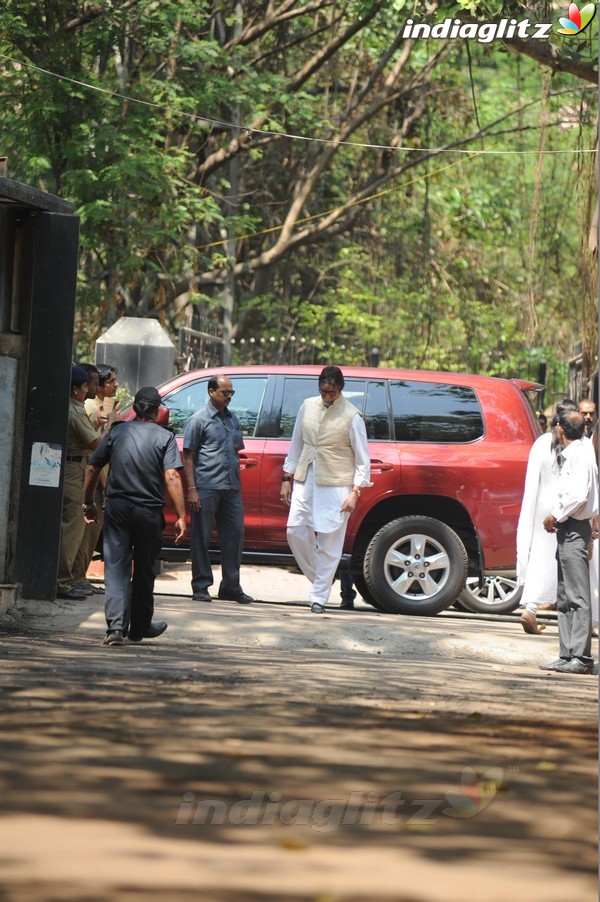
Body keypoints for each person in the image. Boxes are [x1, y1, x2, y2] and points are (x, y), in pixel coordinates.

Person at [83, 386, 186, 646]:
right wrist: (182, 515)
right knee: (144, 569)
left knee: (115, 568)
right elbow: (172, 475)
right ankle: (139, 627)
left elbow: (94, 466)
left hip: (117, 509)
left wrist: (88, 501)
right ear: (157, 410)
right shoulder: (165, 438)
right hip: (148, 513)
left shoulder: (116, 431)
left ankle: (115, 629)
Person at [280, 366, 371, 613]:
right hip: (306, 477)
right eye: (323, 391)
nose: (327, 396)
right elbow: (296, 443)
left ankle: (318, 597)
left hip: (337, 483)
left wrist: (355, 492)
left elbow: (363, 460)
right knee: (295, 530)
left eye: (331, 392)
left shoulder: (352, 417)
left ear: (340, 390)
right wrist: (286, 478)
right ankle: (321, 578)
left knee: (330, 539)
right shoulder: (307, 406)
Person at [182, 375, 254, 604]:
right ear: (212, 392)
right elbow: (188, 456)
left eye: (232, 393)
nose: (229, 397)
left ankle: (230, 586)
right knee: (201, 537)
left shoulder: (233, 420)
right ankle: (201, 586)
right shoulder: (198, 419)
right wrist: (192, 489)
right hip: (206, 486)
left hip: (231, 487)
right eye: (225, 392)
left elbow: (234, 452)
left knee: (235, 534)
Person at [539, 410, 598, 674]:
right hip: (568, 528)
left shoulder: (580, 455)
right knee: (564, 597)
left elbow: (578, 496)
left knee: (577, 595)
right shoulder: (574, 454)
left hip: (574, 527)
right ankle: (567, 653)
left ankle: (582, 658)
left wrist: (556, 516)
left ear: (560, 430)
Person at [516, 400, 577, 633]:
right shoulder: (576, 444)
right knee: (570, 562)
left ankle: (530, 608)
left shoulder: (541, 443)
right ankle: (581, 621)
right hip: (567, 508)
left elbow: (531, 482)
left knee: (540, 558)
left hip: (542, 507)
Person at [72, 364, 121, 595]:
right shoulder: (90, 407)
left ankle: (79, 577)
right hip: (94, 479)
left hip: (98, 477)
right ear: (98, 385)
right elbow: (95, 452)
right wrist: (103, 484)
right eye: (111, 381)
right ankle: (77, 577)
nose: (116, 385)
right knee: (86, 532)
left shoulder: (99, 406)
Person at [56, 366, 102, 600]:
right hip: (74, 470)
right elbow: (96, 444)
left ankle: (65, 579)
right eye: (85, 387)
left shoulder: (73, 408)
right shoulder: (74, 411)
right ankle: (63, 582)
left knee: (71, 525)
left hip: (74, 467)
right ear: (75, 389)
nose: (87, 391)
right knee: (72, 527)